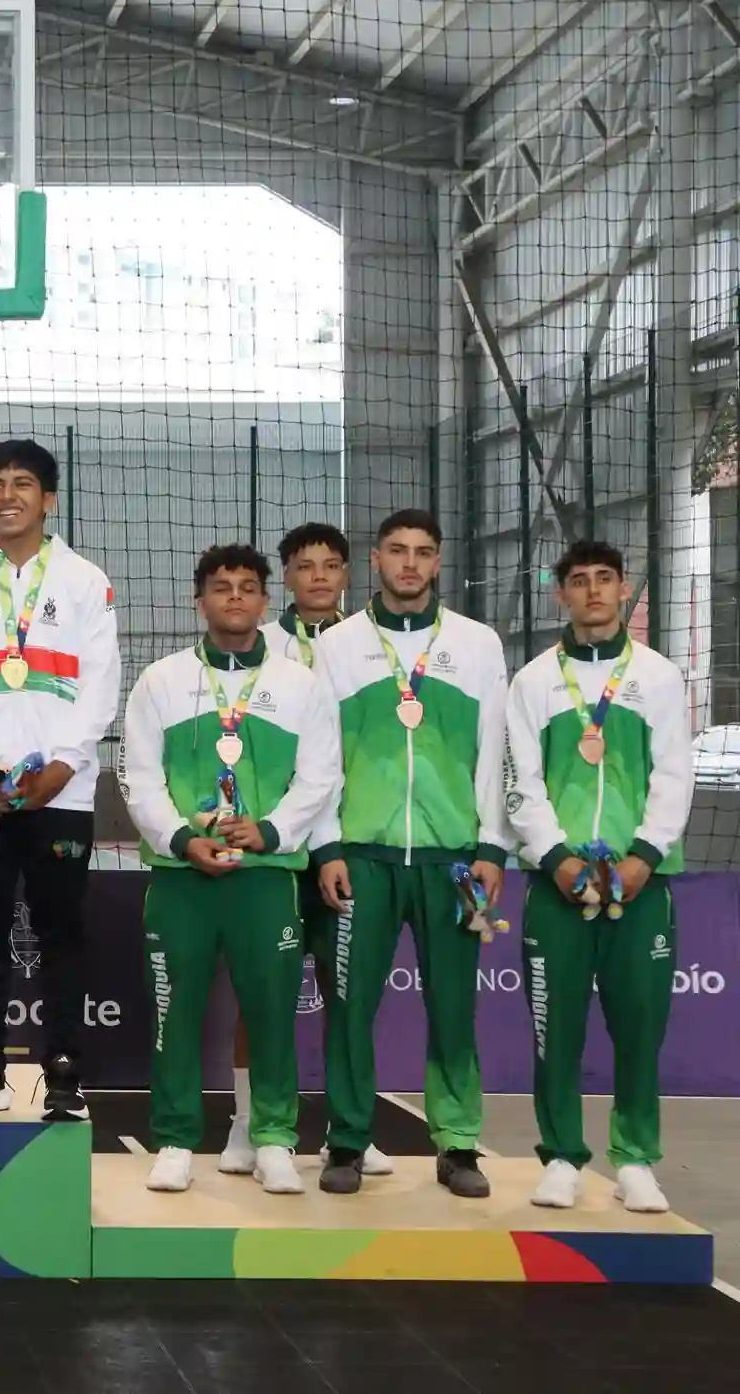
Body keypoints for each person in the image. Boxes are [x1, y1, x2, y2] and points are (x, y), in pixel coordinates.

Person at [122, 545, 339, 1194]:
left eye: (248, 587)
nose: (235, 596)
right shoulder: (160, 681)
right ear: (201, 601)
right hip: (182, 876)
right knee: (175, 1013)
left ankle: (273, 1138)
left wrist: (268, 831)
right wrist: (182, 839)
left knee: (271, 1012)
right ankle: (175, 1139)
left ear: (265, 602)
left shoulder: (301, 685)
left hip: (266, 875)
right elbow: (138, 777)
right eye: (222, 587)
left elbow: (320, 776)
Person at [311, 509, 509, 1198]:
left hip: (454, 858)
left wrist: (492, 846)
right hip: (359, 856)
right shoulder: (337, 645)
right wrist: (326, 844)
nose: (410, 563)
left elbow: (494, 752)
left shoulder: (478, 644)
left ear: (438, 561)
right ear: (376, 559)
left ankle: (458, 1144)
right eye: (397, 550)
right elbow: (320, 756)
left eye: (423, 551)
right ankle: (347, 1138)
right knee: (349, 1007)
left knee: (454, 1008)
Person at [0, 440, 119, 1121]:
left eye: (23, 484)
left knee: (60, 935)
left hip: (59, 793)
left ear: (49, 500)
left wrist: (63, 765)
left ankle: (63, 1074)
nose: (7, 496)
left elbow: (100, 685)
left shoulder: (85, 581)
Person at [505, 539, 692, 1214]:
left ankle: (635, 1158)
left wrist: (642, 855)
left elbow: (674, 773)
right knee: (555, 1030)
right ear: (561, 594)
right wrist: (557, 858)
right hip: (557, 885)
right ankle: (561, 1156)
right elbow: (521, 782)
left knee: (639, 1028)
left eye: (604, 578)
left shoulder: (660, 676)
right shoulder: (533, 681)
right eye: (579, 580)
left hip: (642, 884)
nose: (592, 591)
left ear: (622, 588)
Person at [242, 523, 392, 1179]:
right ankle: (248, 1125)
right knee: (259, 994)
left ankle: (346, 1129)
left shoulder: (371, 647)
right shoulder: (261, 645)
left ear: (348, 574)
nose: (320, 577)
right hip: (273, 846)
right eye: (306, 566)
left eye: (332, 565)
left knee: (346, 992)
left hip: (343, 846)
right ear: (287, 577)